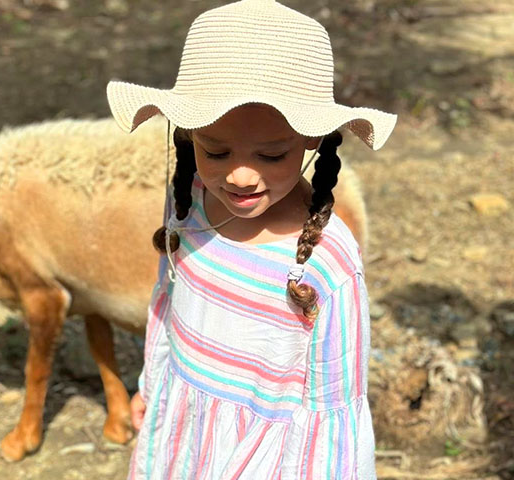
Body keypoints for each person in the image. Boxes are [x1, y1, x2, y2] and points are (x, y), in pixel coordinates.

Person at [106, 1, 397, 478]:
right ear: (186, 134)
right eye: (215, 150)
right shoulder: (189, 204)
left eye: (271, 154)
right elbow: (170, 302)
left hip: (266, 458)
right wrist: (152, 384)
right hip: (182, 438)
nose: (240, 176)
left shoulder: (327, 263)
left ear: (311, 139)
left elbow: (335, 407)